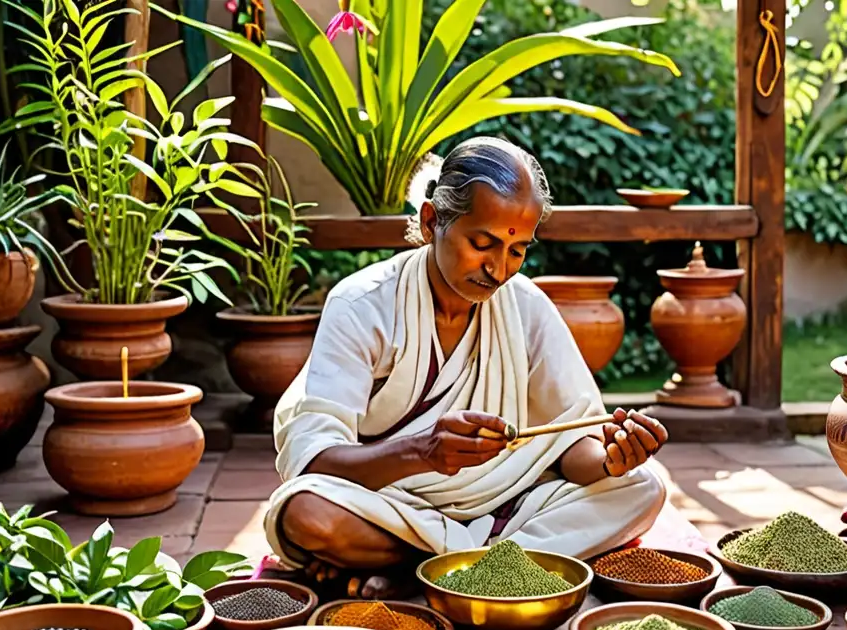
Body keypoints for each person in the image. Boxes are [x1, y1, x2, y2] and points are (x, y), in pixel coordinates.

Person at [263, 136, 706, 598]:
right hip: (384, 501)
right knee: (306, 515)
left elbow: (575, 442)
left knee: (641, 489)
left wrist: (611, 460)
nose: (498, 269)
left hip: (501, 502)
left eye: (517, 252)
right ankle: (486, 565)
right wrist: (422, 453)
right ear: (432, 220)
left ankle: (428, 564)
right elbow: (313, 462)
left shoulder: (527, 307)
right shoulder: (362, 304)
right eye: (482, 243)